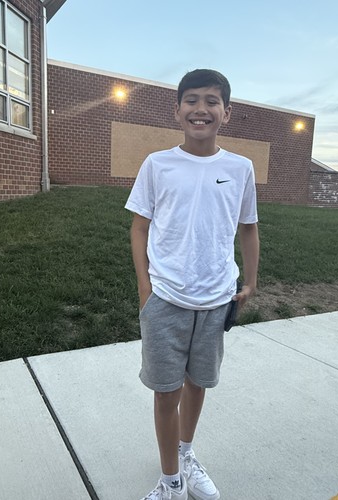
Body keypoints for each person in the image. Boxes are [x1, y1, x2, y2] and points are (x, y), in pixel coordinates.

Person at [125, 68, 260, 500]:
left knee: (197, 384)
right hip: (165, 298)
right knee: (166, 393)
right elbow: (139, 227)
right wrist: (145, 289)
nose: (201, 109)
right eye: (192, 100)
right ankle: (170, 483)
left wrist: (250, 281)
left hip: (216, 299)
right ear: (177, 109)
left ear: (227, 112)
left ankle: (186, 455)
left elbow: (249, 228)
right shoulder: (158, 164)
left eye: (212, 101)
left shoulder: (240, 168)